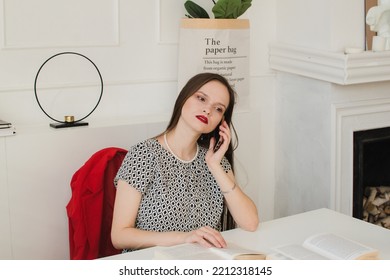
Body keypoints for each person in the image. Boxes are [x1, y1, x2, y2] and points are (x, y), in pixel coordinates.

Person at [111, 72, 259, 252]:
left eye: (218, 109)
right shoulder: (144, 154)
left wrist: (214, 166)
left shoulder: (215, 161)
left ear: (221, 122)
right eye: (201, 98)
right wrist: (184, 238)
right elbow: (119, 236)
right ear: (183, 98)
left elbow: (250, 223)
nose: (208, 110)